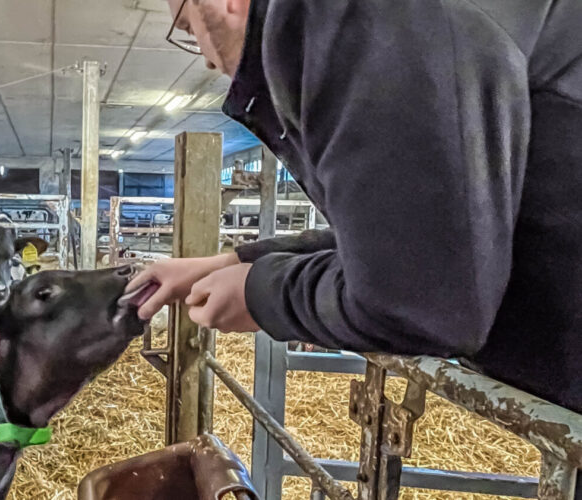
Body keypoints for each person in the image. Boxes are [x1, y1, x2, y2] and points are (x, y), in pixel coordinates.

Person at [128, 0, 582, 413]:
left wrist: (259, 293)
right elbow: (415, 234)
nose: (207, 60)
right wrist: (235, 261)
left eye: (188, 28)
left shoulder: (363, 17)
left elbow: (419, 298)